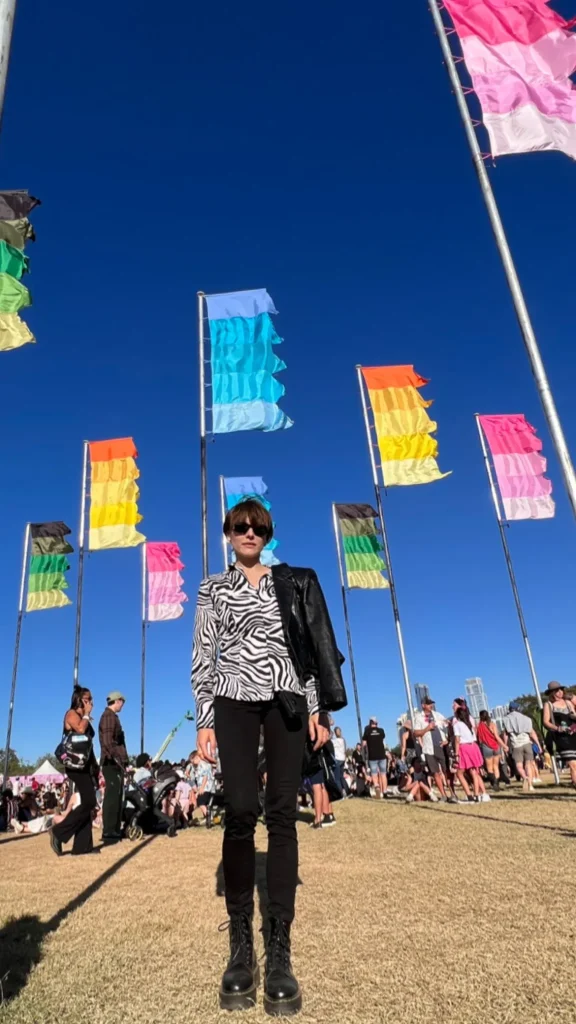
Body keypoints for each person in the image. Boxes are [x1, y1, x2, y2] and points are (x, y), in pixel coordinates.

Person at [192, 498, 346, 1015]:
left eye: (258, 526)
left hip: (287, 701)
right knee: (240, 808)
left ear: (268, 533)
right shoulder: (212, 588)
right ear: (228, 533)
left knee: (282, 814)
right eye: (240, 526)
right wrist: (204, 719)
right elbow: (203, 655)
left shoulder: (288, 582)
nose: (249, 532)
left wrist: (317, 708)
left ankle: (278, 948)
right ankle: (241, 942)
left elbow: (303, 649)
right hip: (233, 700)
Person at [50, 685, 99, 857]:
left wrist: (95, 766)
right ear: (79, 700)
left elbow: (88, 744)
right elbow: (80, 729)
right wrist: (86, 714)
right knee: (89, 801)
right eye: (88, 699)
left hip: (86, 766)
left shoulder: (85, 717)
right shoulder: (71, 714)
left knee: (86, 803)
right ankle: (58, 832)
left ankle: (82, 847)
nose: (91, 702)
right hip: (75, 766)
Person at [98, 690, 128, 844]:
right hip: (111, 762)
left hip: (115, 762)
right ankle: (109, 830)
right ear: (117, 701)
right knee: (112, 796)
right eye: (122, 702)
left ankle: (115, 829)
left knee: (117, 796)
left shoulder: (112, 716)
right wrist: (117, 758)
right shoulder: (108, 716)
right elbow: (108, 742)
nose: (123, 705)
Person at [413, 697, 455, 803]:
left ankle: (453, 794)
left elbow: (448, 725)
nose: (430, 705)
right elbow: (416, 733)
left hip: (441, 746)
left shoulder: (438, 715)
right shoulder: (419, 717)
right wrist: (427, 728)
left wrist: (447, 739)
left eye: (431, 703)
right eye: (428, 704)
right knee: (435, 772)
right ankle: (443, 795)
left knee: (446, 771)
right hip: (428, 748)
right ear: (423, 705)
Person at [452, 698, 489, 803]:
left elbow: (457, 740)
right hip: (473, 746)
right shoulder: (469, 723)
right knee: (474, 771)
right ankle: (476, 794)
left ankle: (469, 795)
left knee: (459, 773)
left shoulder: (457, 724)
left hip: (464, 747)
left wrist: (456, 754)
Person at [503, 701, 542, 793]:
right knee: (528, 765)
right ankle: (530, 785)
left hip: (516, 745)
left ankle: (525, 777)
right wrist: (538, 745)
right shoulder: (526, 718)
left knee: (519, 766)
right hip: (527, 743)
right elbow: (532, 733)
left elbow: (505, 734)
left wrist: (505, 746)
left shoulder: (506, 719)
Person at [543, 682, 576, 786]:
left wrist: (573, 716)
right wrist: (558, 728)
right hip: (561, 737)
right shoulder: (548, 704)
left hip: (573, 734)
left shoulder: (568, 702)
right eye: (557, 691)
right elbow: (546, 722)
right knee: (573, 763)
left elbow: (573, 715)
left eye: (561, 690)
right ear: (552, 693)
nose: (560, 692)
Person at [477, 710, 506, 790]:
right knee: (496, 766)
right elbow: (497, 737)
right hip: (496, 746)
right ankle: (497, 783)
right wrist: (504, 746)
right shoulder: (492, 724)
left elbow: (479, 739)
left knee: (489, 768)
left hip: (486, 747)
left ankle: (494, 783)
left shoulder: (479, 726)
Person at [362, 717, 387, 798]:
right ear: (377, 723)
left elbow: (364, 744)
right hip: (382, 755)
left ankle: (376, 786)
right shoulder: (381, 730)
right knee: (383, 774)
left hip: (372, 756)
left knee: (374, 773)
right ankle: (385, 792)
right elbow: (383, 738)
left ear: (370, 723)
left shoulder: (367, 731)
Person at [332, 726, 347, 794]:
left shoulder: (334, 741)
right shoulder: (343, 740)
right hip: (342, 759)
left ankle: (341, 792)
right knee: (341, 777)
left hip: (337, 759)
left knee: (337, 778)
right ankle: (347, 791)